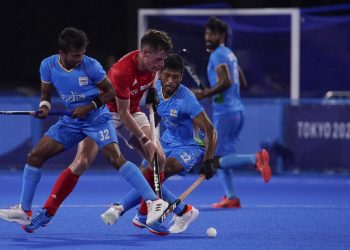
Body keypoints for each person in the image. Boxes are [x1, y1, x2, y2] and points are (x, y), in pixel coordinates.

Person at [0, 27, 168, 229]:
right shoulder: (47, 65)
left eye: (82, 54)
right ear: (62, 53)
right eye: (75, 55)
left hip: (98, 118)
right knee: (35, 156)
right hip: (71, 121)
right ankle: (24, 210)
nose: (80, 58)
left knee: (116, 158)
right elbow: (45, 96)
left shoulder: (91, 66)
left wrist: (88, 106)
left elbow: (109, 92)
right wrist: (44, 108)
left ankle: (153, 201)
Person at [100, 53, 217, 235]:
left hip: (190, 145)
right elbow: (157, 114)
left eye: (176, 77)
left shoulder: (187, 99)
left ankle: (128, 209)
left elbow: (210, 129)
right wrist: (148, 139)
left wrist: (209, 160)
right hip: (167, 139)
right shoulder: (155, 86)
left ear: (181, 77)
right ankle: (184, 211)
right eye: (167, 75)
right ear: (160, 73)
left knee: (165, 169)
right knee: (146, 174)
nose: (170, 81)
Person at [192, 17, 272, 208]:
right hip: (236, 111)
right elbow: (240, 82)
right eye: (206, 33)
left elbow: (226, 81)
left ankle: (256, 159)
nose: (207, 37)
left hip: (226, 113)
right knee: (222, 155)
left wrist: (205, 93)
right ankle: (231, 197)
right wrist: (216, 92)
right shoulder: (230, 54)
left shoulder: (217, 55)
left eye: (212, 33)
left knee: (215, 159)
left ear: (221, 35)